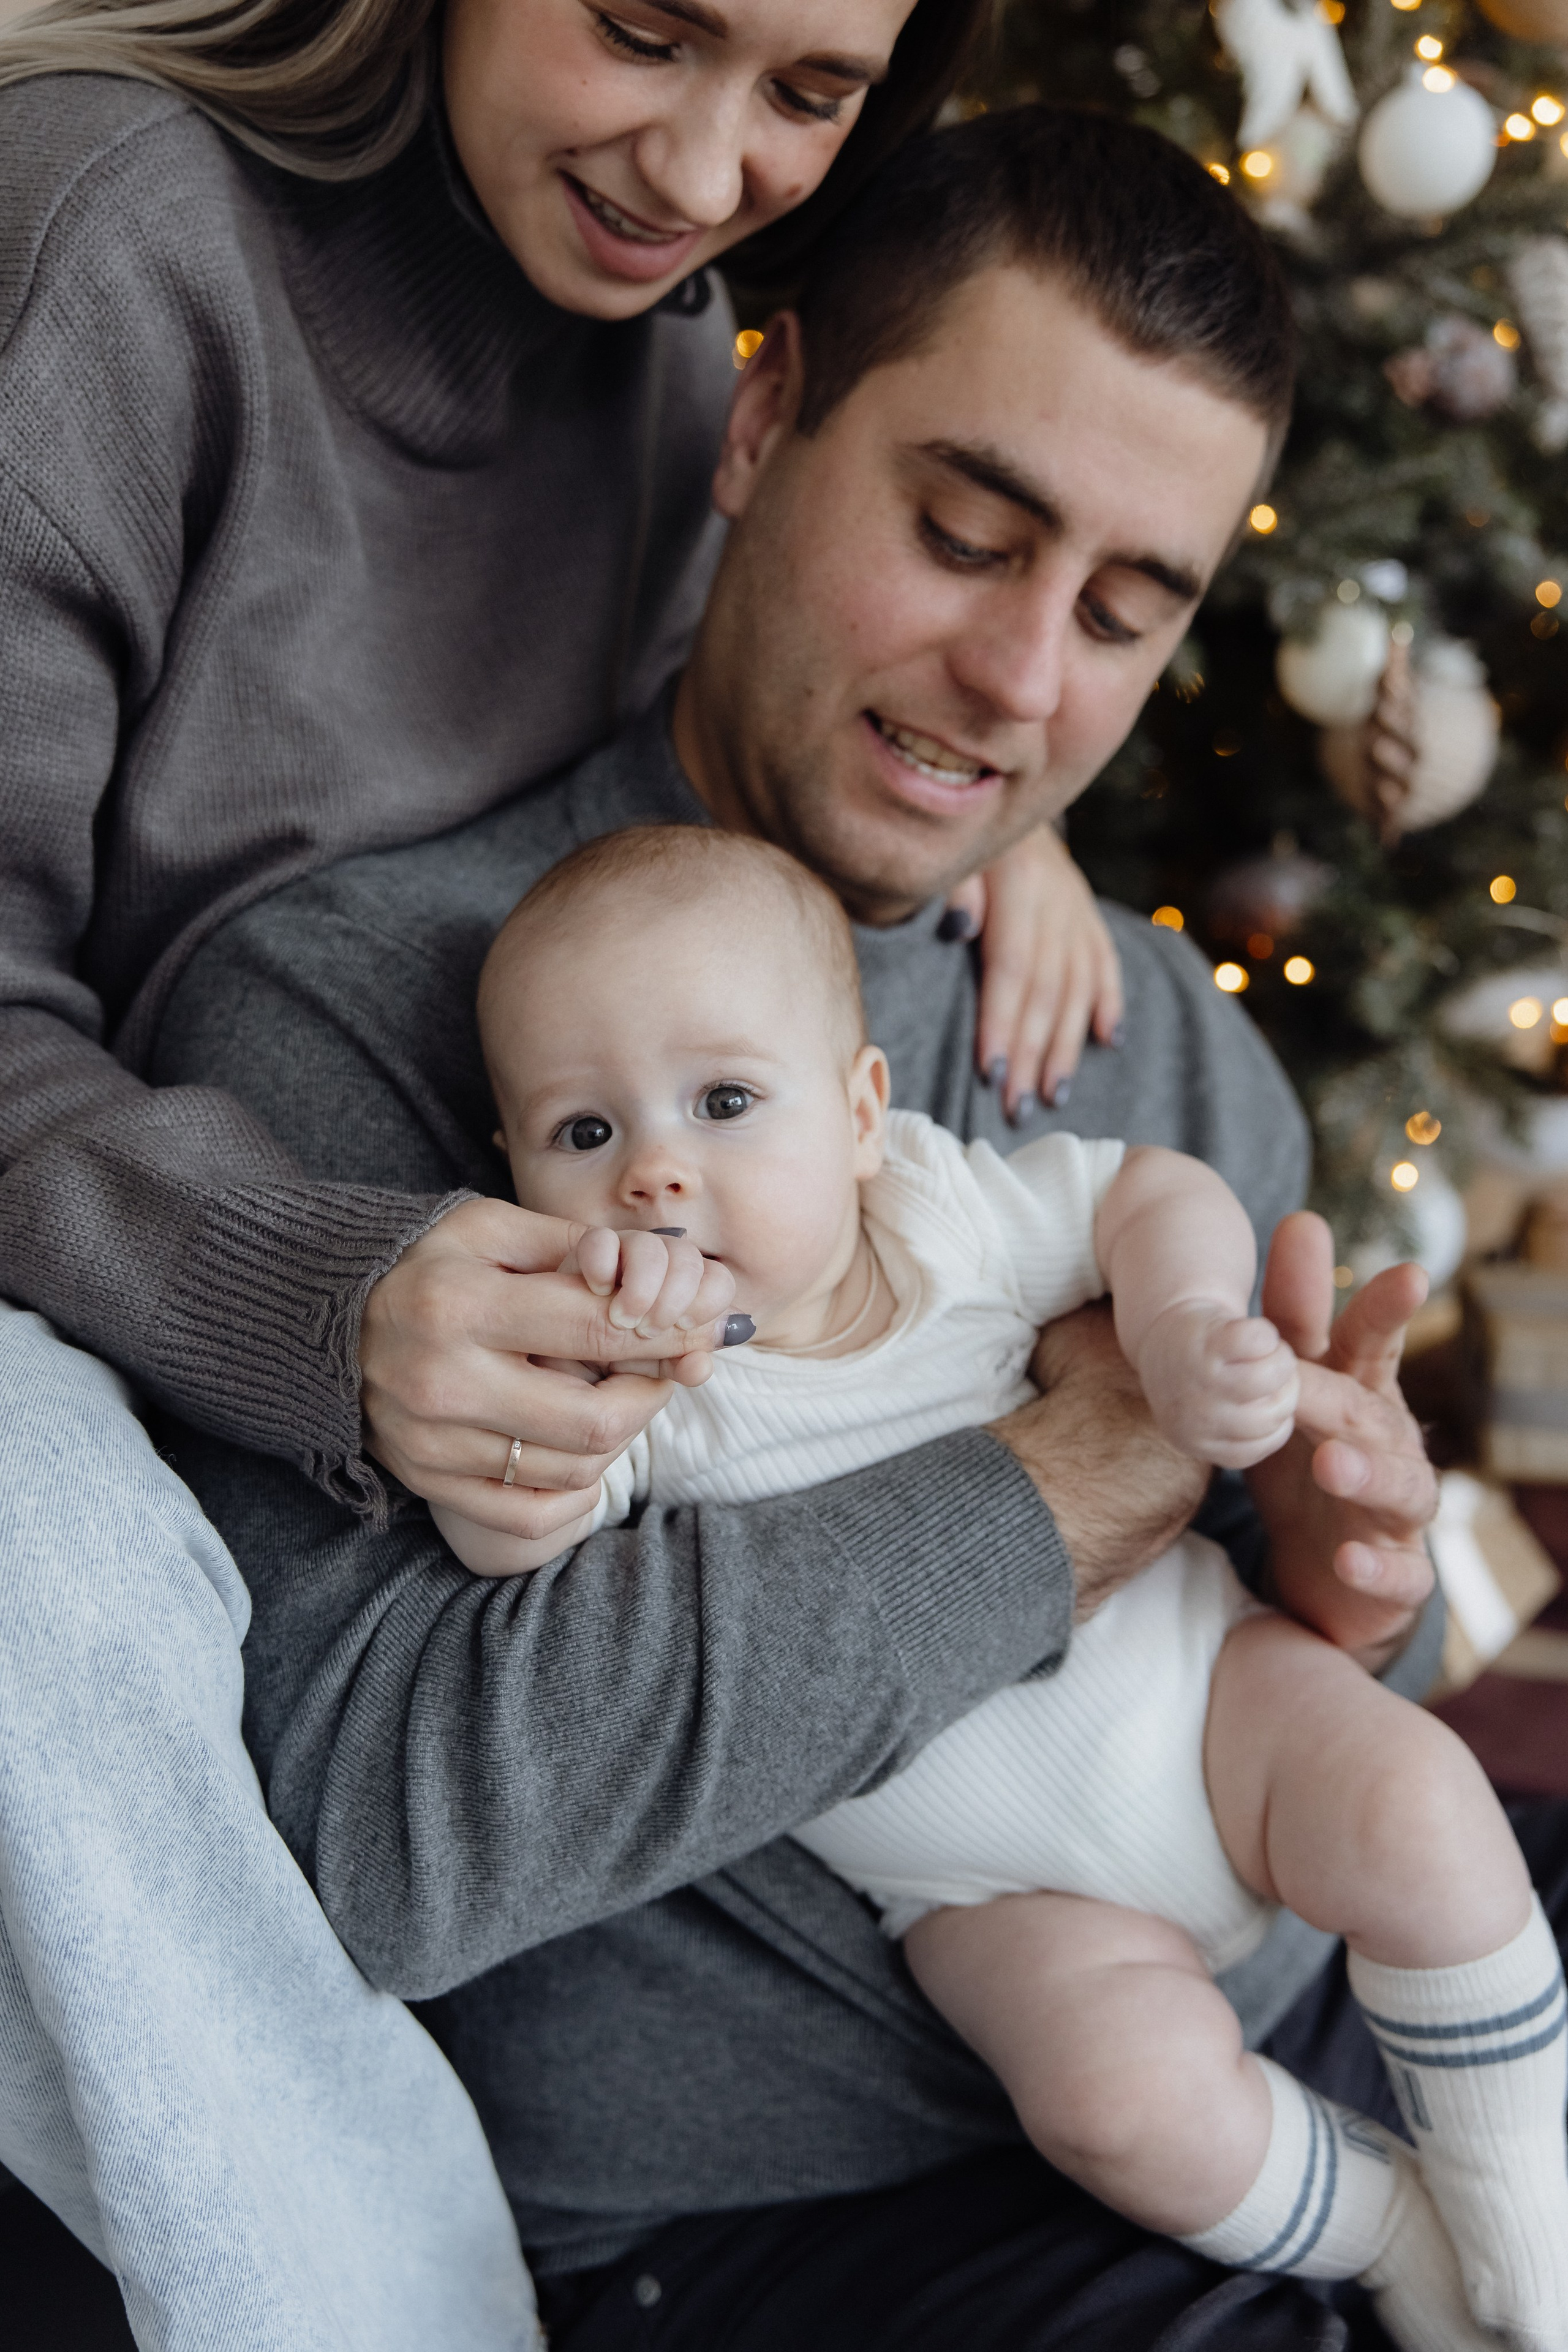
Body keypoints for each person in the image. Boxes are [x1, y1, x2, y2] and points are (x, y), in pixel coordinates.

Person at [140, 108, 1489, 2350]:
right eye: (968, 536)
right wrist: (1081, 1474)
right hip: (798, 2236)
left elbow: (1346, 1684)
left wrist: (1355, 1593)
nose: (1026, 681)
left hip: (1306, 2031)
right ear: (764, 419)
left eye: (1129, 613)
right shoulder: (379, 1010)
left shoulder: (1152, 1039)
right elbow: (372, 1834)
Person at [0, 1, 1123, 2343]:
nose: (707, 171)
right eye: (644, 28)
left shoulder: (677, 350)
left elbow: (744, 750)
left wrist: (999, 822)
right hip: (131, 1230)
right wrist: (308, 1292)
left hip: (404, 1175)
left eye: (811, 96)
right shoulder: (114, 234)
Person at [445, 820, 1567, 2352]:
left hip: (1206, 1703)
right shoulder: (649, 1397)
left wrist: (1177, 1327)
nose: (652, 1177)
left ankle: (1521, 2211)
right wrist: (542, 1403)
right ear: (510, 1168)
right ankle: (1396, 2237)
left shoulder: (933, 1214)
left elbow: (1141, 1187)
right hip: (982, 1899)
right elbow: (508, 1555)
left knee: (1423, 1814)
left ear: (857, 1118)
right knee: (1114, 2108)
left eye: (721, 1104)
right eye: (580, 1135)